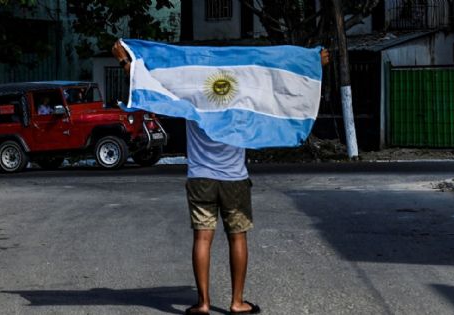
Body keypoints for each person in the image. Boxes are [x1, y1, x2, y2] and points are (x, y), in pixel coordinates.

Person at [112, 40, 329, 315]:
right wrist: (312, 65)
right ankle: (237, 303)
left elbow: (152, 84)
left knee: (202, 239)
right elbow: (275, 83)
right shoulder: (242, 99)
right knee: (237, 237)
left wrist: (123, 61)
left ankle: (202, 304)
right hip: (234, 178)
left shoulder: (190, 94)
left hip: (200, 176)